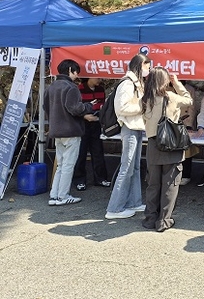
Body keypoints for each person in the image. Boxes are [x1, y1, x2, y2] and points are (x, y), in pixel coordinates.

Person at [141, 67, 192, 232]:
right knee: (170, 184)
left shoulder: (145, 100)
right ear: (165, 81)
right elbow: (189, 100)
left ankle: (150, 219)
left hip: (153, 144)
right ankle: (163, 220)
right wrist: (176, 83)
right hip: (172, 144)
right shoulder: (171, 97)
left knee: (153, 184)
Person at [105, 53, 151, 219]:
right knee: (127, 167)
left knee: (135, 167)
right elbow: (121, 108)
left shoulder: (136, 83)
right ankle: (114, 208)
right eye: (147, 67)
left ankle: (134, 202)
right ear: (140, 66)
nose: (148, 70)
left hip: (136, 128)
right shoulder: (127, 83)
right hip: (129, 128)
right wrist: (142, 107)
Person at [44, 59, 96, 206]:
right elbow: (75, 108)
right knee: (68, 165)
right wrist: (88, 106)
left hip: (56, 131)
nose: (77, 75)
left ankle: (54, 195)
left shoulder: (51, 87)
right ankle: (63, 196)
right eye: (76, 72)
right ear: (70, 70)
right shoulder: (71, 87)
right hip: (71, 131)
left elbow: (45, 107)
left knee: (61, 165)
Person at [73, 78, 110, 191]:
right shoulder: (79, 89)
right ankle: (79, 180)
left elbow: (103, 106)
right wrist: (84, 116)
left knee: (98, 151)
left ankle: (100, 178)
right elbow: (74, 108)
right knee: (81, 153)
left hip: (96, 123)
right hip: (82, 123)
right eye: (97, 77)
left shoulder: (101, 89)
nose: (100, 79)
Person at [179, 81, 198, 186]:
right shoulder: (167, 87)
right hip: (172, 122)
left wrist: (189, 125)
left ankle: (186, 175)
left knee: (187, 150)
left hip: (186, 122)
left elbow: (192, 108)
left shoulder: (189, 89)